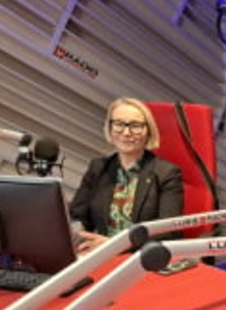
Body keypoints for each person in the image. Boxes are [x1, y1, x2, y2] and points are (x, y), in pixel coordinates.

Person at [70, 97, 183, 254]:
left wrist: (115, 244)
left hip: (139, 257)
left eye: (136, 126)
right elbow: (77, 216)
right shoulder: (98, 167)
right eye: (119, 124)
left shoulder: (167, 173)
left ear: (148, 131)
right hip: (98, 254)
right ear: (110, 128)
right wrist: (78, 237)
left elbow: (169, 231)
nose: (126, 132)